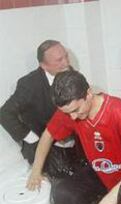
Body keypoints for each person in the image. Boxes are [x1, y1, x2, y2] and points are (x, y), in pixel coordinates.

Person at [26, 70, 121, 204]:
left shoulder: (117, 110)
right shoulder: (70, 112)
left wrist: (112, 196)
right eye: (68, 113)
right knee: (63, 194)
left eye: (76, 110)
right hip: (100, 173)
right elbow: (47, 135)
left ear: (88, 94)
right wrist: (36, 171)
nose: (72, 117)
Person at [0, 40, 79, 178]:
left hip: (70, 140)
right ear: (43, 65)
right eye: (59, 60)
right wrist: (33, 139)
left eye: (66, 56)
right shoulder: (29, 84)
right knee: (67, 177)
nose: (66, 63)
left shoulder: (70, 73)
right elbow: (4, 113)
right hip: (43, 145)